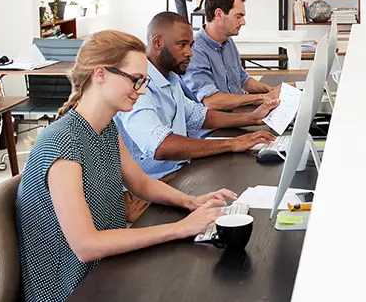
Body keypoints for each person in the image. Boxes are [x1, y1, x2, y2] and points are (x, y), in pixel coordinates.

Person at [16, 30, 234, 302]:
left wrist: (190, 201)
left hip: (107, 271)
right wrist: (181, 228)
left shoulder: (105, 128)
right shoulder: (62, 143)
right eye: (136, 80)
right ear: (100, 74)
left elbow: (140, 183)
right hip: (73, 289)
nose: (142, 91)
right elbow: (86, 246)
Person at [116, 12, 279, 221]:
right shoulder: (139, 87)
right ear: (157, 42)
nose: (189, 53)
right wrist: (232, 143)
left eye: (191, 45)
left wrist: (253, 119)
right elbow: (161, 146)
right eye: (182, 45)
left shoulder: (171, 80)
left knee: (237, 190)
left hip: (175, 174)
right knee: (230, 201)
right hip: (142, 192)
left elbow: (200, 116)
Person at [183, 0, 281, 110]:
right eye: (238, 16)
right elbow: (212, 101)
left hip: (235, 112)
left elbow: (242, 79)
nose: (243, 22)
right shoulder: (195, 50)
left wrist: (271, 90)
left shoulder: (227, 41)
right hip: (216, 124)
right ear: (219, 14)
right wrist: (262, 98)